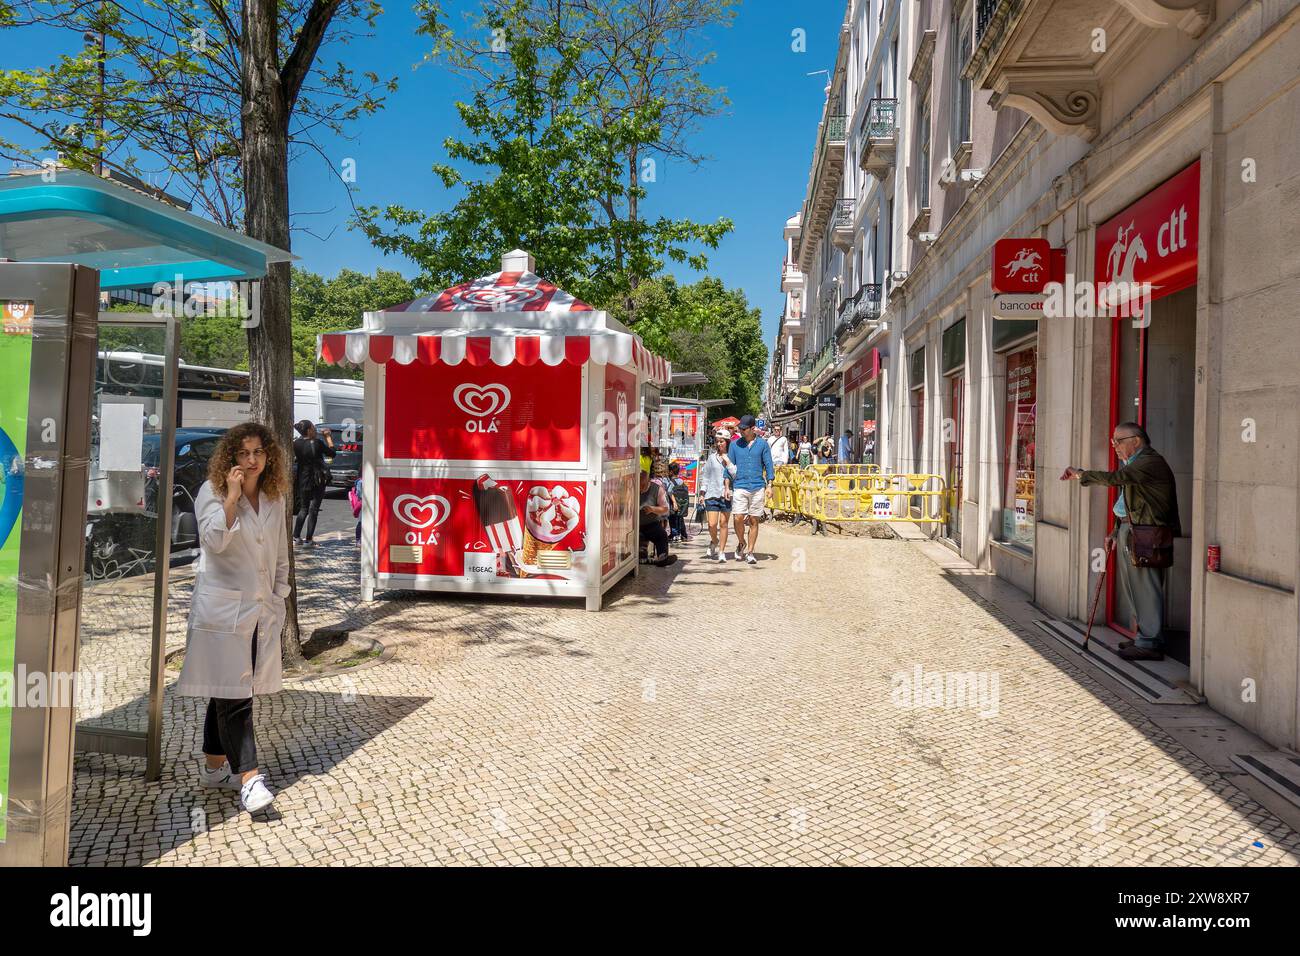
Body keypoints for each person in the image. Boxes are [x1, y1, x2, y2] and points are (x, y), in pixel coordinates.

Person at [176, 422, 290, 814]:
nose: (252, 460)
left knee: (227, 691)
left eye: (259, 452)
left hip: (260, 609)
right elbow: (212, 541)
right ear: (231, 457)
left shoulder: (274, 497)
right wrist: (232, 498)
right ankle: (250, 779)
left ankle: (212, 770)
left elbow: (278, 555)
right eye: (244, 453)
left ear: (268, 456)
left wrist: (280, 596)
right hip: (222, 610)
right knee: (235, 695)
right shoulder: (212, 492)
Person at [1062, 421, 1181, 661]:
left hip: (1148, 533)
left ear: (1136, 441)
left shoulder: (1148, 462)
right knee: (1134, 588)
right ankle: (1144, 637)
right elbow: (1125, 504)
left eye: (1119, 441)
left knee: (1146, 587)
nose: (1114, 446)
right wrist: (1115, 532)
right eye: (1112, 441)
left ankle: (1150, 642)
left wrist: (1081, 475)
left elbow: (1116, 478)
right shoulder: (1135, 464)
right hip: (1135, 530)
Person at [728, 414, 775, 565]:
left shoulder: (762, 444)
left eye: (744, 428)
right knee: (738, 517)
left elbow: (768, 465)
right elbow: (729, 467)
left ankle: (750, 552)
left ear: (752, 428)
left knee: (754, 519)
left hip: (757, 485)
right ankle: (742, 542)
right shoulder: (734, 445)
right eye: (740, 428)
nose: (741, 431)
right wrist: (726, 486)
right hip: (740, 485)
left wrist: (770, 485)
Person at [292, 420, 334, 545]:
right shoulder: (317, 443)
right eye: (314, 428)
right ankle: (309, 539)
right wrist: (328, 437)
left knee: (303, 508)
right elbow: (332, 453)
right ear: (309, 430)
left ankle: (296, 537)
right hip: (317, 479)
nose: (315, 430)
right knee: (314, 509)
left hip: (303, 479)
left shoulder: (296, 444)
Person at [698, 430, 737, 561]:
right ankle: (714, 540)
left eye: (722, 441)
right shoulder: (711, 457)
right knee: (712, 524)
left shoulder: (732, 457)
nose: (719, 444)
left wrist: (728, 463)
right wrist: (702, 493)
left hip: (727, 494)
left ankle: (721, 551)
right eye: (718, 441)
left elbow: (736, 475)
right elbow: (706, 476)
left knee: (724, 524)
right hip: (712, 494)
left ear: (727, 442)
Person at [638, 470, 677, 567]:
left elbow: (665, 509)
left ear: (648, 482)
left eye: (642, 485)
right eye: (639, 485)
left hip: (651, 524)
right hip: (635, 525)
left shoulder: (657, 490)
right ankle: (643, 558)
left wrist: (652, 509)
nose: (640, 488)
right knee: (639, 542)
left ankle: (662, 557)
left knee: (662, 535)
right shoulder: (631, 487)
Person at [666, 461, 690, 541]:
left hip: (674, 506)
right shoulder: (682, 481)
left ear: (671, 472)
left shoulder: (671, 482)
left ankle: (675, 535)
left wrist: (674, 503)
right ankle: (683, 534)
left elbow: (670, 492)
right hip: (681, 505)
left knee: (672, 520)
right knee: (680, 520)